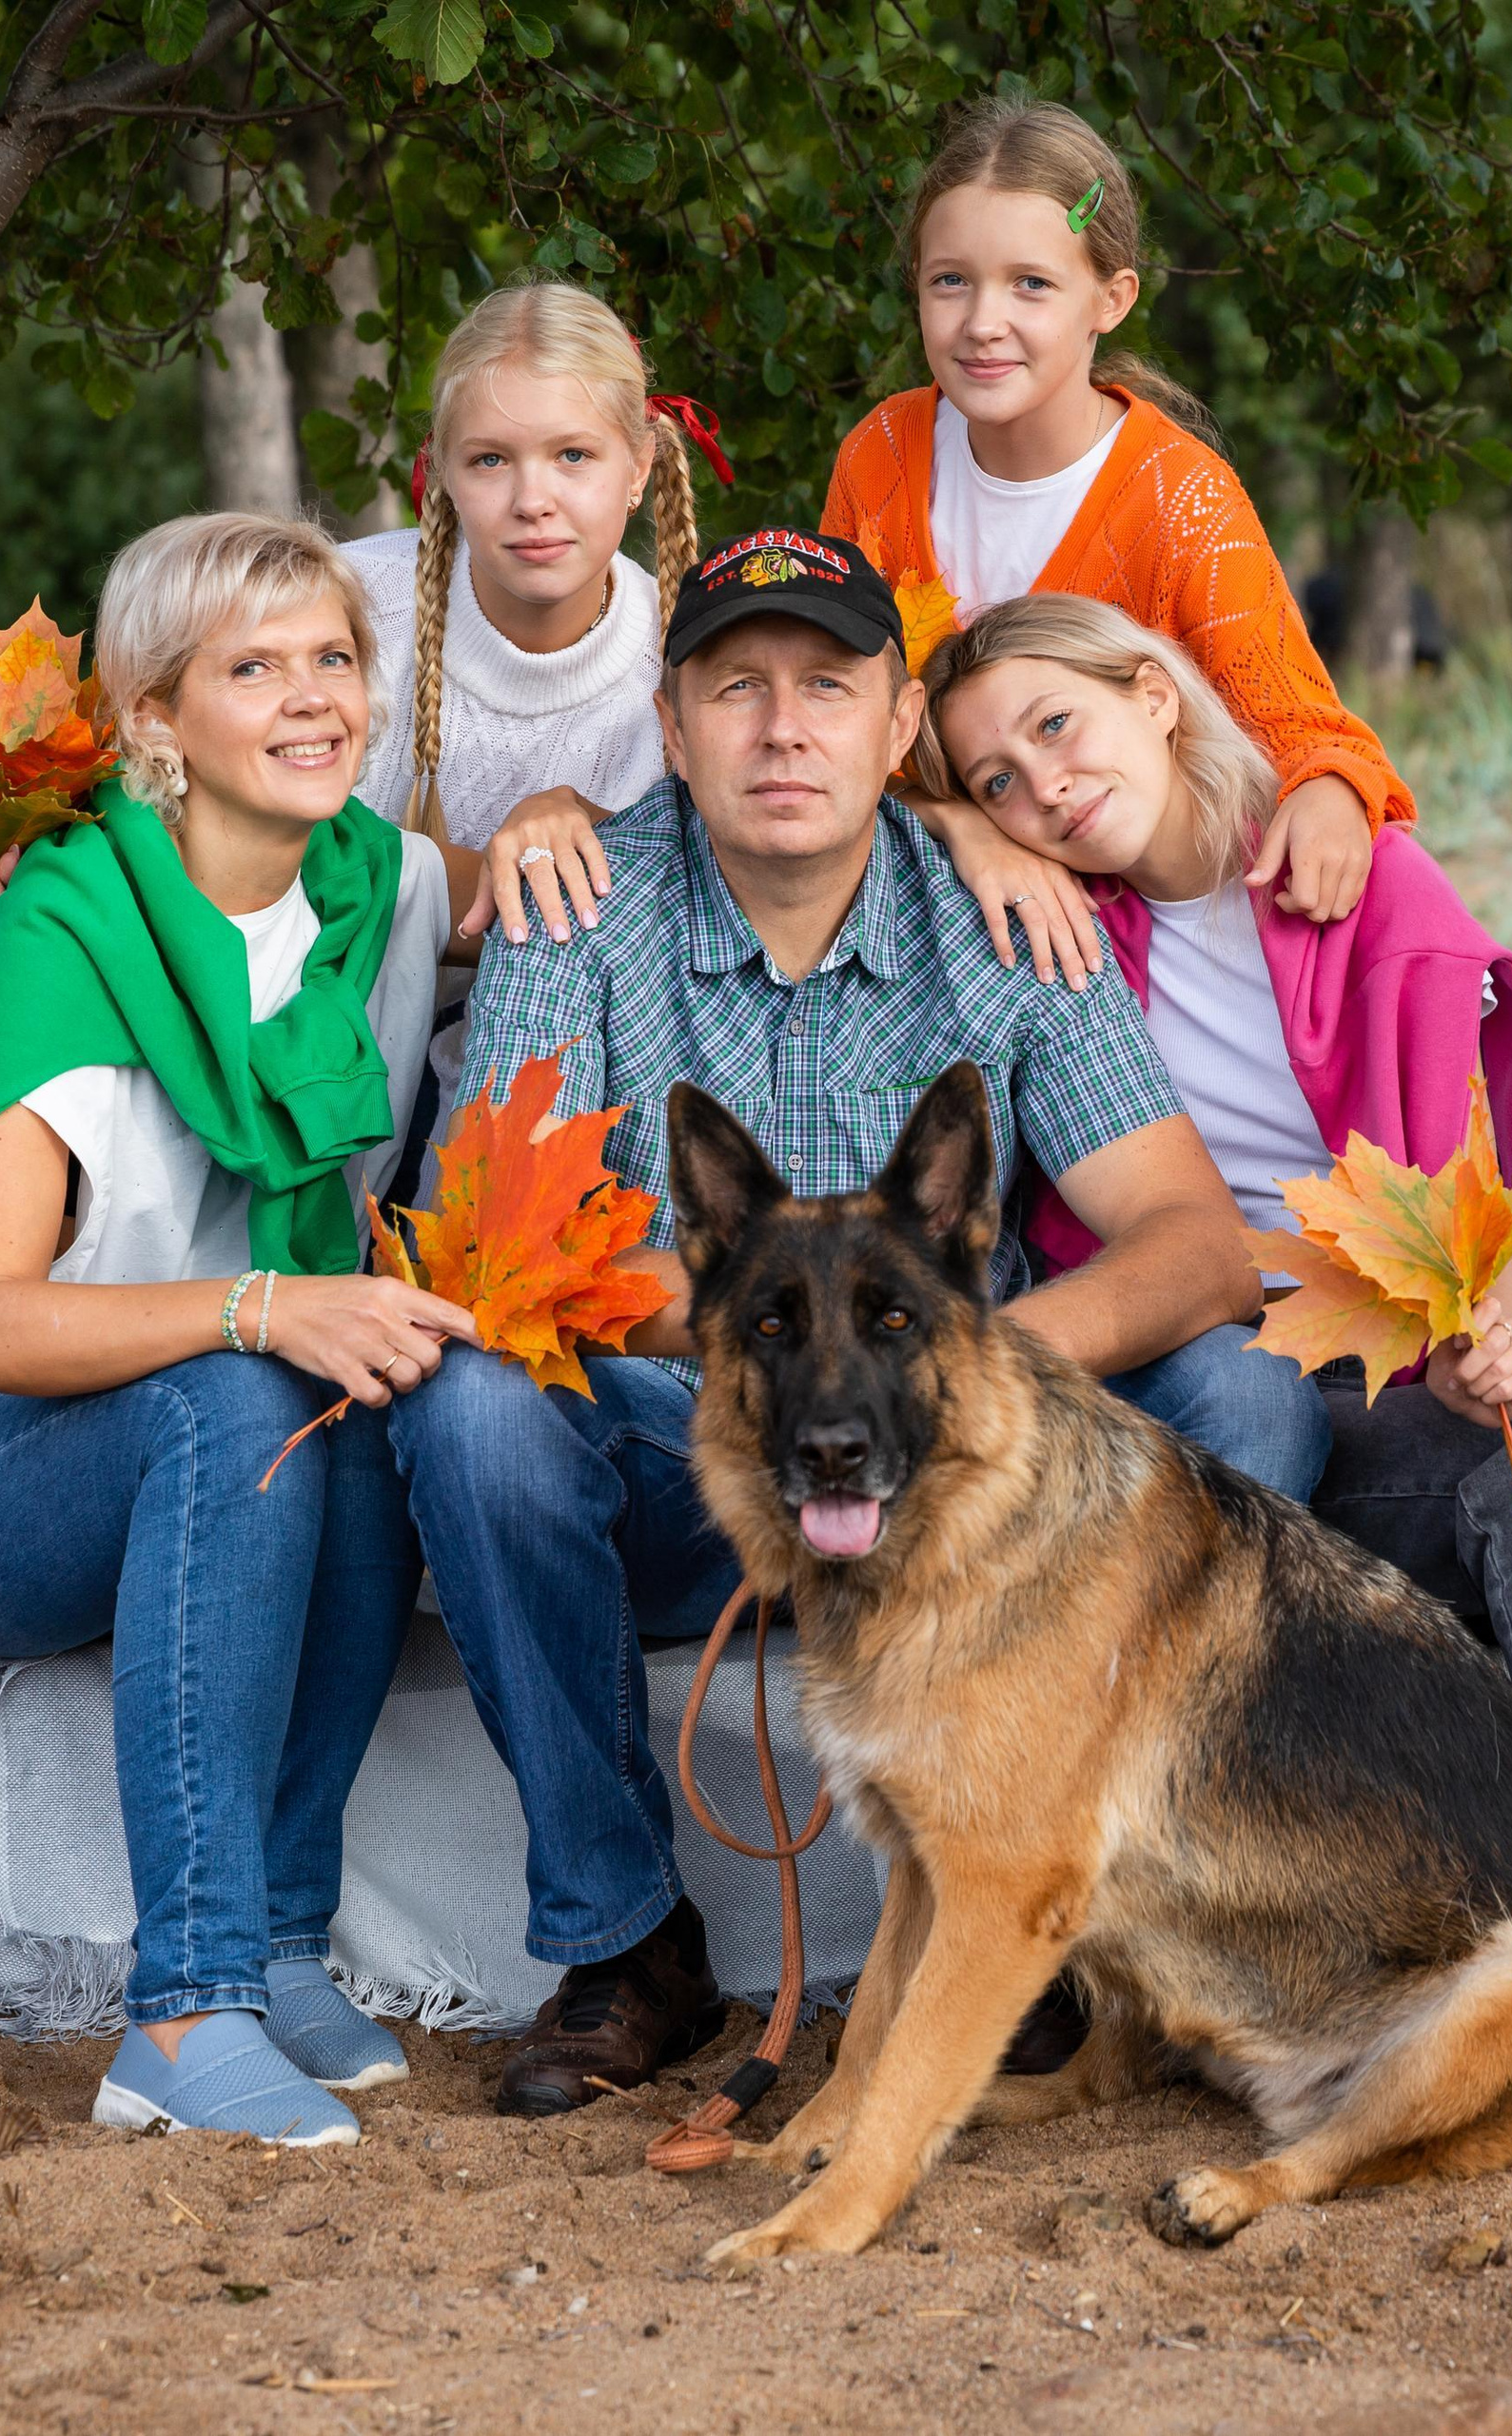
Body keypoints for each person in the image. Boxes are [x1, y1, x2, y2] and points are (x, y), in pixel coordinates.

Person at [916, 592, 1512, 2179]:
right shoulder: (1057, 939)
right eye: (996, 780)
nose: (1044, 786)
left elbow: (1462, 1214)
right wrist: (963, 831)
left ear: (1155, 694)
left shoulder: (1367, 887)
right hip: (1238, 1404)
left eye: (1057, 726)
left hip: (1405, 1373)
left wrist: (1485, 1315)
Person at [384, 527, 1330, 2118]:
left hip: (972, 1494)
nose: (782, 728)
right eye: (735, 689)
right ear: (670, 725)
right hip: (694, 1475)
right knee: (473, 1409)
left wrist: (945, 1382)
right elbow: (506, 1255)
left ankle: (1078, 1907)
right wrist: (807, 1372)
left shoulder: (1003, 915)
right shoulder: (574, 911)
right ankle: (626, 1937)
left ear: (899, 728)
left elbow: (1193, 1246)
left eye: (828, 687)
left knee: (1251, 1397)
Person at [0, 514, 478, 2147]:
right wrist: (262, 1307)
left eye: (336, 658)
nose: (315, 698)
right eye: (255, 668)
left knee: (371, 1391)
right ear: (158, 720)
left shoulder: (386, 891)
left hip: (207, 1422)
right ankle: (182, 2014)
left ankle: (278, 1941)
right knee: (245, 1392)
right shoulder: (57, 934)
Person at [0, 279, 728, 1133]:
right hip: (280, 1052)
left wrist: (594, 824)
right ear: (442, 471)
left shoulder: (700, 660)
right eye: (490, 460)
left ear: (640, 466)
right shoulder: (340, 609)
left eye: (574, 455)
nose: (533, 499)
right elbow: (154, 755)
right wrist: (31, 860)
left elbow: (722, 902)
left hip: (554, 1097)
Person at [819, 96, 1412, 982]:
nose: (982, 321)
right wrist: (967, 824)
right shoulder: (881, 456)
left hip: (1129, 948)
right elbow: (839, 712)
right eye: (950, 281)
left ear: (1111, 298)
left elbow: (1304, 727)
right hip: (923, 906)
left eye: (1031, 284)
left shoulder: (1178, 499)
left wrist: (1329, 788)